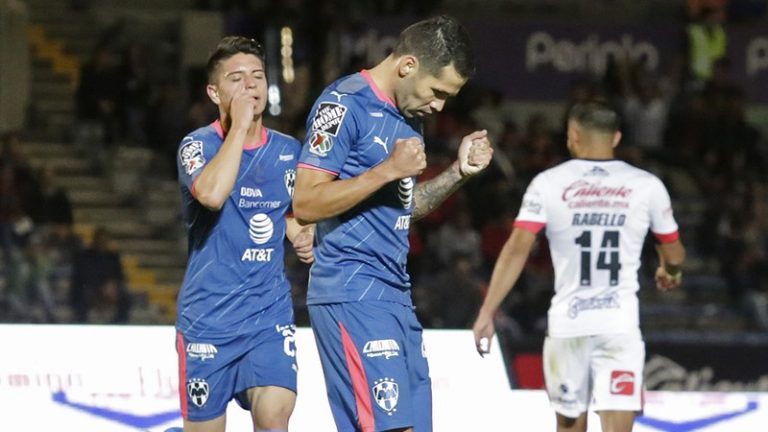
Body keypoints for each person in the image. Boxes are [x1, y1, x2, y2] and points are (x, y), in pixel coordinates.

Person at [293, 15, 493, 432]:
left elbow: (401, 207)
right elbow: (306, 202)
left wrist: (458, 173)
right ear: (407, 66)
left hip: (396, 295)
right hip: (351, 291)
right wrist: (386, 170)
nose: (439, 106)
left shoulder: (408, 115)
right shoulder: (343, 104)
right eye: (438, 91)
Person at [472, 101, 686, 432]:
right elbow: (674, 253)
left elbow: (516, 250)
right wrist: (669, 272)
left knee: (569, 425)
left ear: (572, 134)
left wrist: (488, 311)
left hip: (568, 326)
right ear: (616, 137)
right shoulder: (646, 185)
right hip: (619, 326)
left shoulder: (548, 183)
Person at [174, 36, 314, 432]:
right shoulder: (196, 146)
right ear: (214, 93)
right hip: (208, 318)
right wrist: (238, 128)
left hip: (268, 315)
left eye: (257, 76)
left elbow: (292, 213)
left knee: (274, 420)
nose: (250, 85)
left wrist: (300, 232)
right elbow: (212, 195)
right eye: (236, 79)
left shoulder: (289, 150)